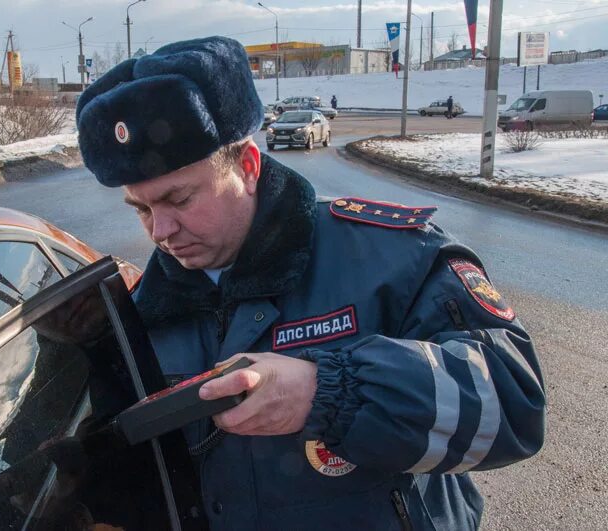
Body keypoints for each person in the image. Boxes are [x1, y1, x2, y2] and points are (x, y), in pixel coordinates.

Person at [76, 36, 545, 531]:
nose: (160, 232)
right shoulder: (142, 314)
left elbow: (515, 405)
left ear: (248, 167)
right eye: (143, 209)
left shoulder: (391, 255)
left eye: (181, 200)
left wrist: (333, 392)